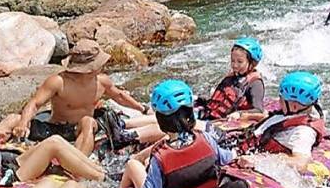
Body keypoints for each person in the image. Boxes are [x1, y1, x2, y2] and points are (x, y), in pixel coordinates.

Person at [86, 79, 240, 188]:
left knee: (133, 164)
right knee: (144, 163)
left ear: (160, 120)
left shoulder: (161, 159)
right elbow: (228, 158)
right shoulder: (207, 139)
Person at [105, 37, 268, 149]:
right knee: (172, 110)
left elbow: (259, 111)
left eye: (240, 62)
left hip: (221, 124)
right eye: (233, 61)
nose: (235, 65)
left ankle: (129, 137)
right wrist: (199, 99)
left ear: (252, 62)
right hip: (209, 114)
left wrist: (241, 115)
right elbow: (217, 100)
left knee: (175, 123)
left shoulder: (255, 84)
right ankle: (123, 125)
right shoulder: (232, 77)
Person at [11, 39, 150, 156]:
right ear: (90, 68)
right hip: (56, 128)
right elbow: (35, 103)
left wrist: (142, 108)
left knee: (88, 121)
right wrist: (23, 122)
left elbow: (120, 96)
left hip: (81, 130)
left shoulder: (102, 81)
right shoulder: (58, 81)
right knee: (13, 119)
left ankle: (79, 162)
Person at [231, 71, 326, 173]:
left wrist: (258, 160)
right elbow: (273, 119)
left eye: (281, 98)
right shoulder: (292, 113)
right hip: (238, 146)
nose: (279, 101)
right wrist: (247, 116)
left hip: (244, 157)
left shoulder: (303, 132)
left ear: (294, 106)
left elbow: (301, 163)